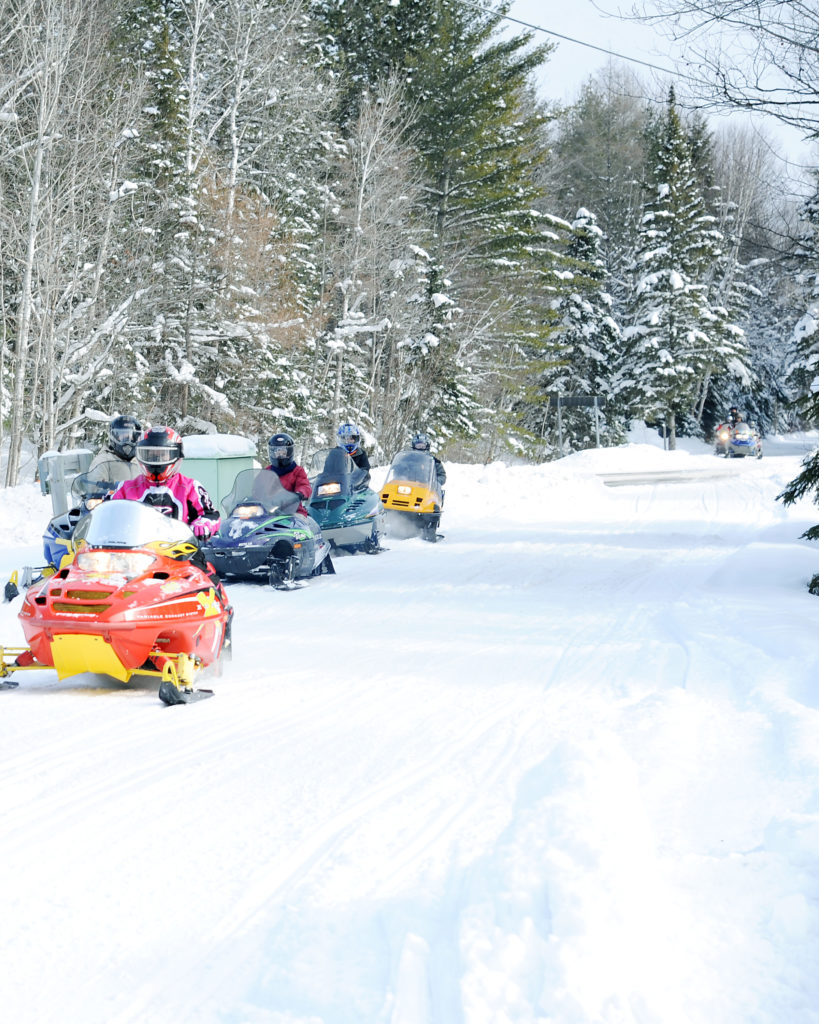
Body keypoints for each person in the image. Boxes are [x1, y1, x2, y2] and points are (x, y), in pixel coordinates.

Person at [109, 426, 220, 540]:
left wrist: (202, 524)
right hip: (136, 551)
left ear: (177, 456)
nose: (157, 460)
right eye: (150, 455)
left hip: (180, 550)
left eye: (163, 455)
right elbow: (107, 514)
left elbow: (210, 514)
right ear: (139, 455)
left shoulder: (190, 487)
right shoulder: (126, 488)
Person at [87, 414, 143, 483]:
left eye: (130, 437)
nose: (128, 441)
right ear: (113, 437)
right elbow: (94, 489)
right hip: (115, 493)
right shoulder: (103, 461)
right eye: (123, 437)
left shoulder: (141, 460)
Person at [265, 433, 312, 515]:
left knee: (299, 521)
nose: (280, 455)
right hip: (270, 511)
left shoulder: (297, 471)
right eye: (277, 452)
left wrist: (298, 494)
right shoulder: (267, 472)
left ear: (289, 453)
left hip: (293, 510)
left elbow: (304, 485)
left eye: (283, 452)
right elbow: (257, 487)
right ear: (272, 453)